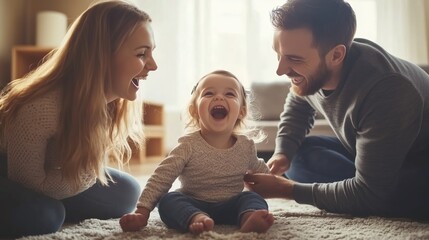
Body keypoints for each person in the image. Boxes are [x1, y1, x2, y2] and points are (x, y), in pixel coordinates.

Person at [244, 0, 429, 219]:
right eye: (278, 54)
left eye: (293, 59)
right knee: (299, 157)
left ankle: (359, 190)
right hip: (375, 156)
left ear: (336, 55)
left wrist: (286, 189)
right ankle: (353, 188)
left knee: (373, 196)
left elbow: (372, 194)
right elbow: (298, 105)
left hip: (418, 167)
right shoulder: (315, 70)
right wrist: (283, 152)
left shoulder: (388, 90)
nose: (280, 69)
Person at [0, 0, 158, 237]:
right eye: (141, 54)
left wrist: (84, 174)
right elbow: (29, 182)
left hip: (52, 175)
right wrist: (86, 174)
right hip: (11, 173)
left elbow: (80, 170)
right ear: (102, 55)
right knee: (46, 216)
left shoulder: (107, 101)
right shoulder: (40, 107)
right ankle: (53, 210)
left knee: (128, 191)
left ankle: (56, 207)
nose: (153, 65)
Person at [120, 70, 275, 234]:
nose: (219, 97)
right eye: (209, 93)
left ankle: (249, 218)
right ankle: (196, 218)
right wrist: (142, 212)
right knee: (168, 201)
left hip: (233, 204)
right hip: (193, 202)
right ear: (194, 111)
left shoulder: (246, 146)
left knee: (252, 198)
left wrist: (275, 181)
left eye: (229, 94)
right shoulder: (188, 145)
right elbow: (161, 178)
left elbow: (261, 171)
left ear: (241, 112)